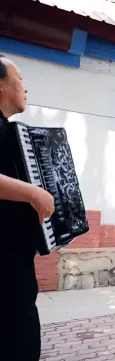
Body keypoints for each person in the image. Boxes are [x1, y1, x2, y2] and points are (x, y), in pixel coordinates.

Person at [0, 54, 55, 361]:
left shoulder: (9, 132)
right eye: (20, 79)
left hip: (15, 259)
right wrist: (33, 194)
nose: (26, 88)